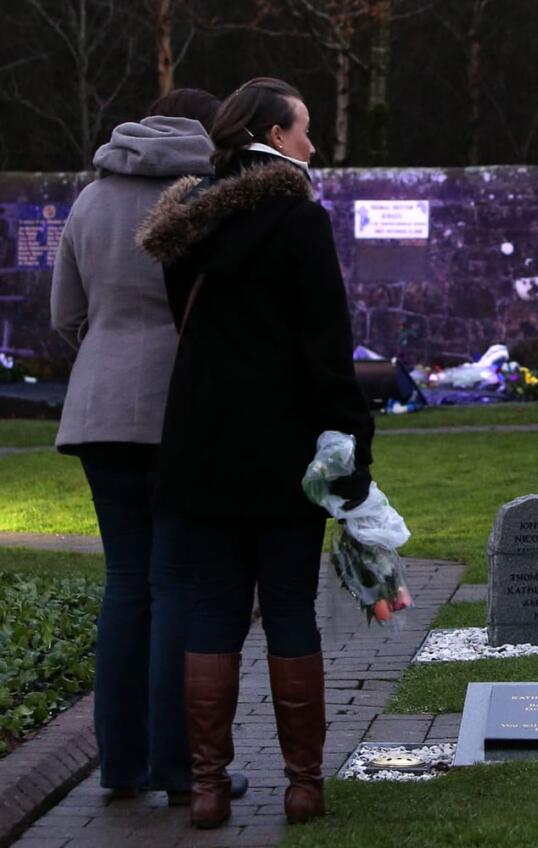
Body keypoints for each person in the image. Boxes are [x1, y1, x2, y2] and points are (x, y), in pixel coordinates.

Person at [138, 77, 374, 829]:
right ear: (276, 135)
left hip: (203, 444)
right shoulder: (298, 220)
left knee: (210, 610)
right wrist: (349, 440)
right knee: (289, 609)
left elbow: (191, 323)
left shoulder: (185, 222)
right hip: (282, 448)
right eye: (305, 130)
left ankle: (207, 789)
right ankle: (303, 785)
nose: (313, 145)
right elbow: (325, 345)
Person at [50, 88, 244, 805]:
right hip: (180, 410)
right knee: (175, 589)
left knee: (125, 585)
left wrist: (108, 351)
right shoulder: (209, 195)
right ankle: (176, 768)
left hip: (98, 411)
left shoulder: (90, 199)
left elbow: (65, 314)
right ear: (207, 128)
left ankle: (120, 766)